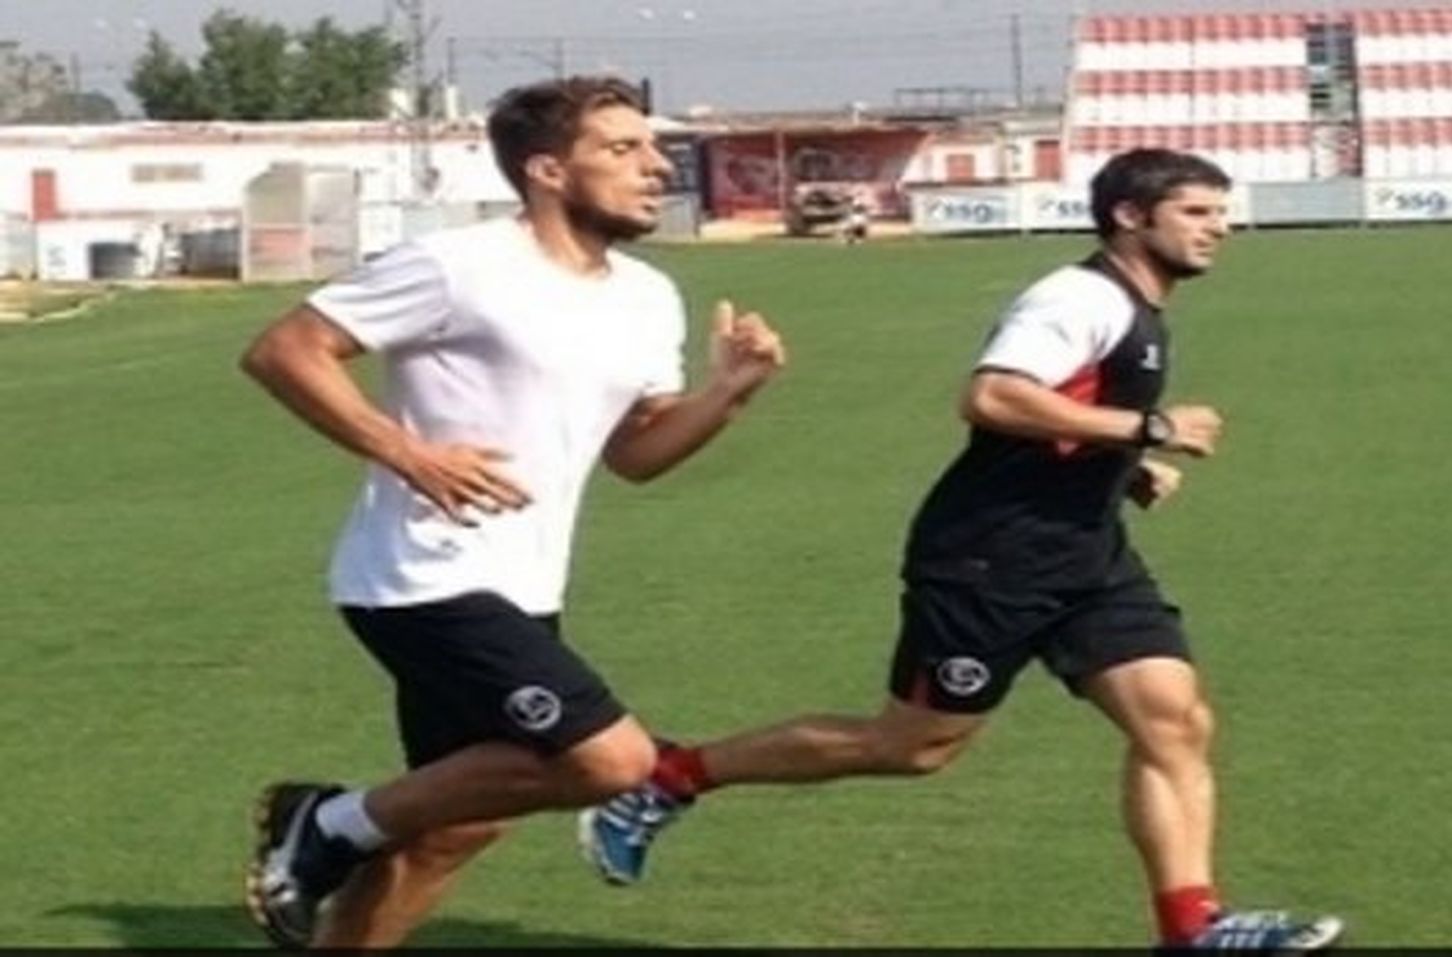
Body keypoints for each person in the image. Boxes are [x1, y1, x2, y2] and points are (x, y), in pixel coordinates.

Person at [578, 148, 1343, 950]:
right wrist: (1147, 428)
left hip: (1088, 554)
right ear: (1129, 216)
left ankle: (1192, 930)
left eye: (1220, 213)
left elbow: (1062, 410)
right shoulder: (1079, 296)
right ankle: (669, 777)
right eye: (1196, 212)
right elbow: (993, 396)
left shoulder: (1135, 304)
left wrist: (1123, 466)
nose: (1218, 228)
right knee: (911, 746)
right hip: (990, 558)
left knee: (1174, 720)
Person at [239, 75, 785, 949]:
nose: (656, 166)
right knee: (614, 761)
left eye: (653, 148)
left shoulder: (647, 294)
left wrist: (729, 392)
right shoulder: (458, 265)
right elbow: (286, 348)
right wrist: (407, 451)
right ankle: (326, 824)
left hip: (525, 582)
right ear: (548, 170)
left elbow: (638, 453)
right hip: (420, 575)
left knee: (456, 827)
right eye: (623, 148)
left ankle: (340, 855)